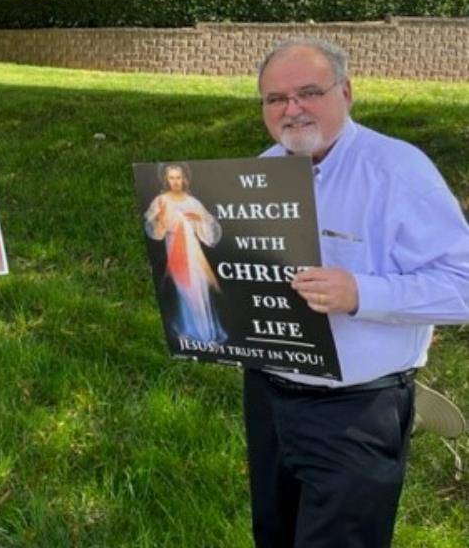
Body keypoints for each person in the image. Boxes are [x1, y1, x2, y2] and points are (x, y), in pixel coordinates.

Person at [245, 38, 469, 548]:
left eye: (308, 92)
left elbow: (464, 284)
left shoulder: (398, 170)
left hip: (355, 409)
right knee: (274, 533)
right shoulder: (263, 170)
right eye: (275, 99)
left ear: (346, 92)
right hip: (269, 395)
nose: (292, 109)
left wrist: (360, 292)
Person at [144, 163, 226, 343]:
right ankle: (188, 330)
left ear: (184, 179)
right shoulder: (161, 201)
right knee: (182, 290)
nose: (175, 181)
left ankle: (205, 334)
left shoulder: (193, 202)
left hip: (194, 251)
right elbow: (154, 230)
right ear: (166, 179)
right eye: (172, 178)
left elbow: (210, 228)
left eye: (178, 177)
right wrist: (161, 219)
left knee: (200, 288)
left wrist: (199, 220)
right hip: (174, 249)